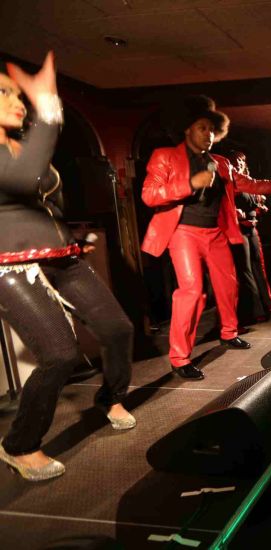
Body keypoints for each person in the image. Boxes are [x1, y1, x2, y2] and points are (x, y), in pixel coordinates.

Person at [0, 53, 135, 481]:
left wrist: (71, 236)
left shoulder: (24, 144)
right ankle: (19, 445)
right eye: (4, 93)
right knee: (59, 354)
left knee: (118, 329)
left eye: (19, 95)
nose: (17, 101)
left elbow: (47, 200)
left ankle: (110, 396)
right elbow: (21, 180)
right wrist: (49, 107)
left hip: (62, 258)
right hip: (10, 265)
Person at [141, 95, 271, 380]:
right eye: (202, 128)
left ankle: (229, 333)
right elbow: (150, 195)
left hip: (215, 233)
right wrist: (190, 183)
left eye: (211, 129)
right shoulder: (165, 157)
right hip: (183, 234)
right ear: (187, 129)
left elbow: (252, 185)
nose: (208, 134)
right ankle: (179, 358)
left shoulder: (220, 163)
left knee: (229, 284)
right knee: (192, 291)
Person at [227, 151, 271, 323]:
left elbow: (254, 205)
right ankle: (255, 311)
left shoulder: (248, 181)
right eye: (235, 160)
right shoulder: (229, 182)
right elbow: (223, 207)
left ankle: (267, 306)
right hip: (238, 229)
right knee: (246, 270)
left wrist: (259, 209)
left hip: (252, 229)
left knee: (259, 267)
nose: (239, 163)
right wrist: (236, 214)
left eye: (241, 160)